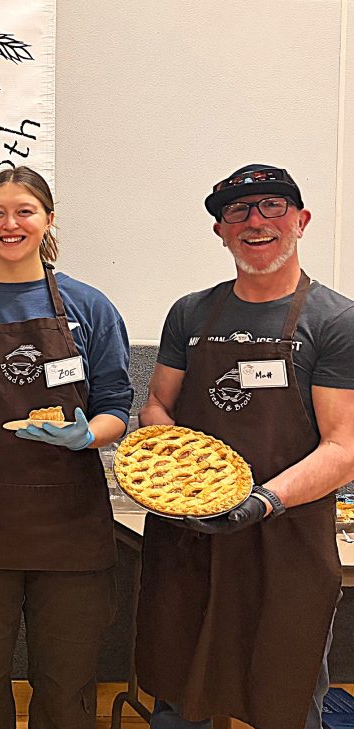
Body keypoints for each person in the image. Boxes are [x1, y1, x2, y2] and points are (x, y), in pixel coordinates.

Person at [135, 164, 354, 729]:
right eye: (237, 211)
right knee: (178, 693)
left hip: (285, 545)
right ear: (220, 231)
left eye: (272, 206)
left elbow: (343, 448)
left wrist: (262, 501)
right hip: (189, 539)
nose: (255, 221)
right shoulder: (190, 313)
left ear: (302, 220)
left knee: (284, 693)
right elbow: (156, 406)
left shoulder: (337, 321)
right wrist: (177, 479)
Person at [0, 166, 132, 729]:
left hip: (73, 526)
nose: (10, 224)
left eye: (24, 211)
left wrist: (88, 435)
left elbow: (116, 405)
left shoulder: (90, 307)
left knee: (67, 686)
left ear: (48, 219)